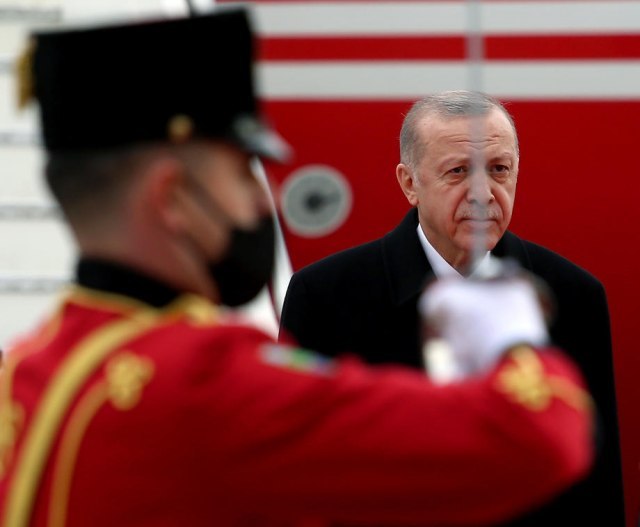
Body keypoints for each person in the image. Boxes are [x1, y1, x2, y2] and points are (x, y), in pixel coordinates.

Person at [0, 13, 595, 527]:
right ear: (172, 197)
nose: (262, 200)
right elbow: (538, 437)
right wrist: (513, 337)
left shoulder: (27, 369)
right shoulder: (212, 388)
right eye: (243, 172)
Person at [280, 91, 625, 526]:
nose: (482, 194)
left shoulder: (571, 294)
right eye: (458, 171)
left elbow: (595, 482)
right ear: (410, 183)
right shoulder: (324, 295)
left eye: (499, 169)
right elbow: (300, 475)